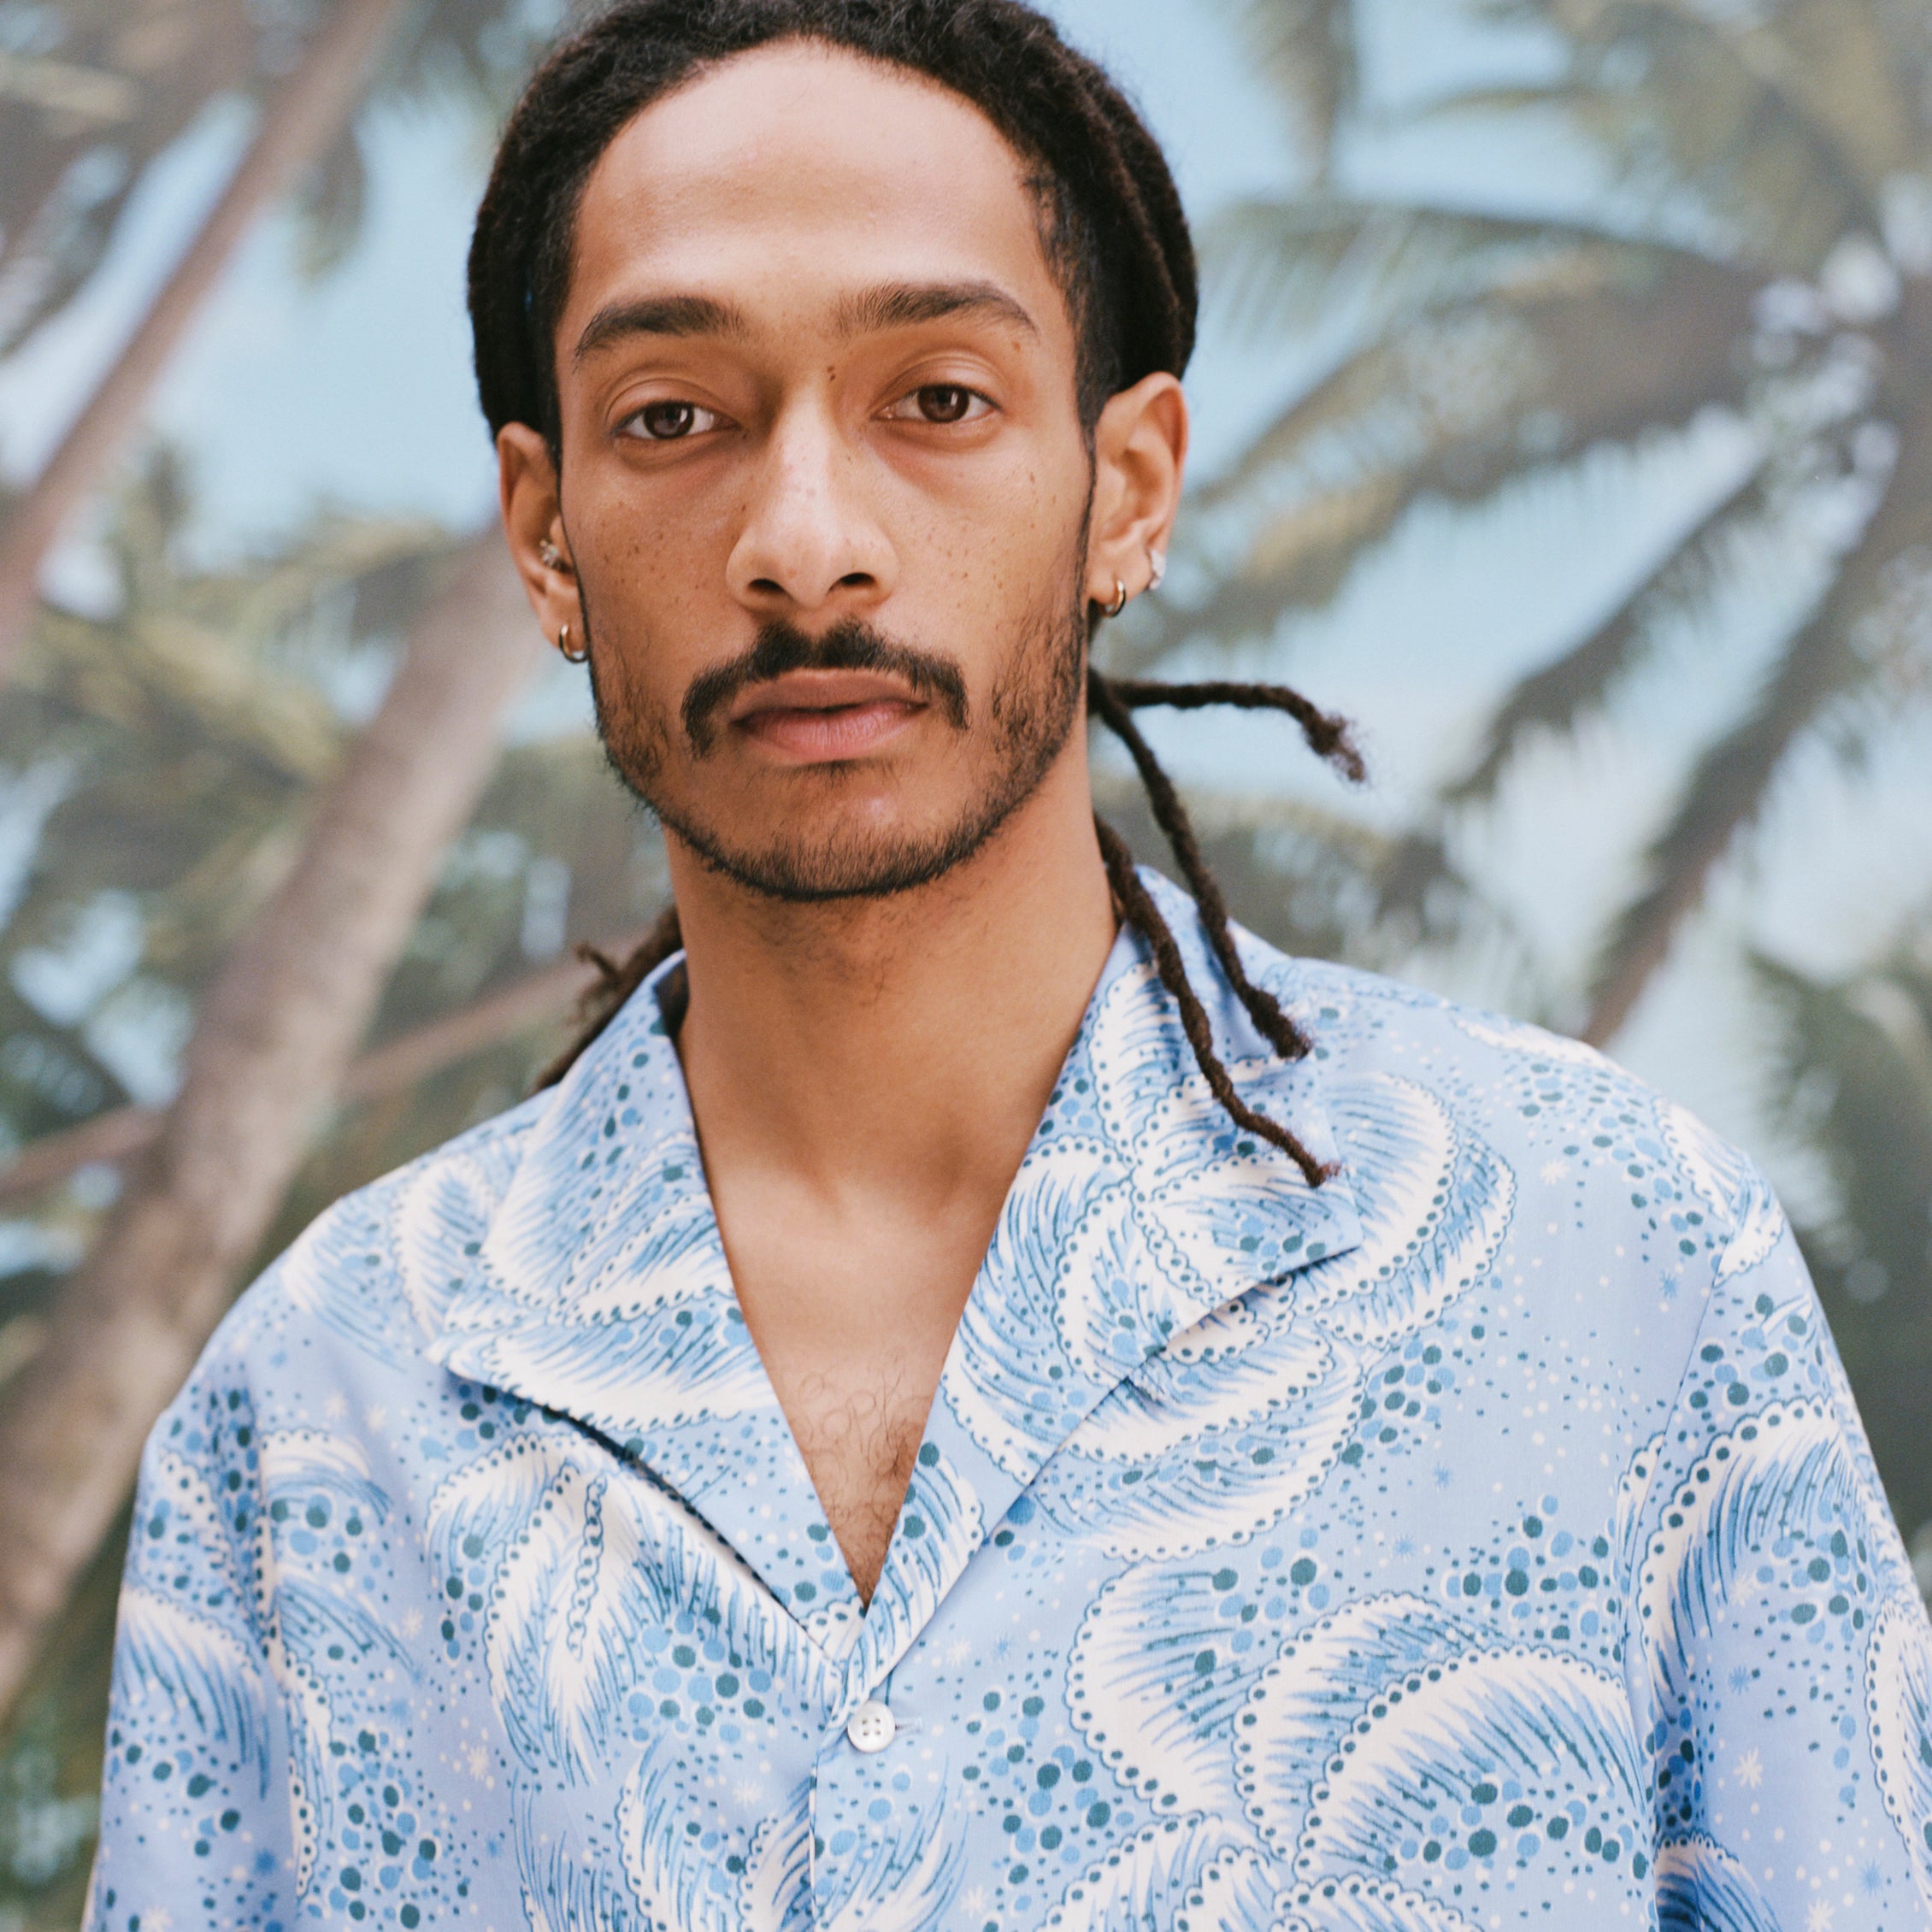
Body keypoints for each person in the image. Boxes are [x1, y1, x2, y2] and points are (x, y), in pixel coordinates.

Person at [86, 2, 1932, 1927]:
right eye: (674, 418)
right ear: (546, 534)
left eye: (937, 399)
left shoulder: (1603, 1259)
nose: (805, 547)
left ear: (1123, 486)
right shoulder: (314, 1412)